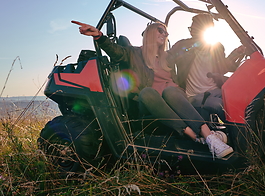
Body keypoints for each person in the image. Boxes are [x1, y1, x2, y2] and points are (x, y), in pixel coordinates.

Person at [71, 20, 233, 159]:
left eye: (166, 32)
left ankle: (207, 138)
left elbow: (190, 47)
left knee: (171, 91)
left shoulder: (167, 57)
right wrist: (99, 36)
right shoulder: (134, 53)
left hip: (174, 100)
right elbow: (115, 51)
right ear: (149, 33)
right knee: (148, 92)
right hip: (150, 102)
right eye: (160, 30)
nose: (164, 34)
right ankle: (199, 136)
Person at [168, 14, 246, 123]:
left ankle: (253, 132)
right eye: (191, 28)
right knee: (222, 106)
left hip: (214, 89)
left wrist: (236, 53)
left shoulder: (216, 47)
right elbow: (166, 60)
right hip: (194, 95)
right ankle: (237, 136)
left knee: (237, 99)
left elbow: (223, 67)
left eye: (194, 28)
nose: (191, 31)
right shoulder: (181, 45)